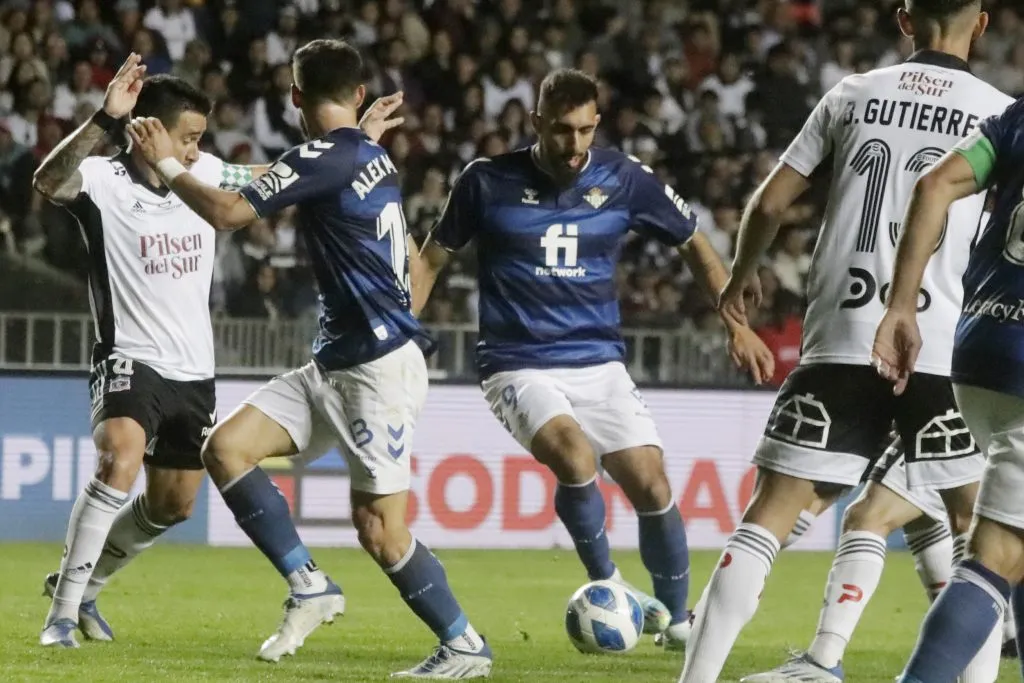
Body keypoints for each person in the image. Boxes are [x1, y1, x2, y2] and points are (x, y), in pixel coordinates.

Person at [126, 38, 492, 679]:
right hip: (335, 362)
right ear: (358, 94)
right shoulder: (369, 156)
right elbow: (318, 173)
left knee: (381, 531)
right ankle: (309, 585)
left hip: (376, 369)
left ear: (294, 95)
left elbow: (230, 213)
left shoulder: (329, 157)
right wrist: (363, 135)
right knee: (225, 449)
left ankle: (464, 645)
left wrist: (166, 163)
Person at [679, 1, 1013, 680]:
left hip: (843, 332)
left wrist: (741, 276)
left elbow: (773, 202)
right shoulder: (1000, 112)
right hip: (943, 345)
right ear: (980, 26)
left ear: (905, 19)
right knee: (977, 540)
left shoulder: (853, 92)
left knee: (768, 518)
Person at [413, 67, 775, 650]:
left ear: (597, 123)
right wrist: (402, 328)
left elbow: (693, 241)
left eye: (585, 130)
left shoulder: (625, 178)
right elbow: (431, 259)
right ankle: (609, 583)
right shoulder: (486, 180)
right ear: (537, 123)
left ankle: (677, 622)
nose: (574, 144)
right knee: (575, 455)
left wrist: (736, 325)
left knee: (652, 483)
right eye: (562, 130)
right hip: (516, 360)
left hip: (599, 361)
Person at [32, 56, 270, 648]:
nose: (195, 150)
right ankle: (60, 616)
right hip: (129, 357)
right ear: (149, 130)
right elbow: (48, 182)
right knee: (120, 457)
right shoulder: (102, 180)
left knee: (174, 505)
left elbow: (270, 175)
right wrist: (103, 119)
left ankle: (85, 585)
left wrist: (343, 152)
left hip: (195, 370)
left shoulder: (206, 172)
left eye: (199, 139)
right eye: (187, 137)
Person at [873, 85, 1024, 683]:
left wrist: (901, 306)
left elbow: (934, 184)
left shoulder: (1017, 117)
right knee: (998, 553)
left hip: (980, 351)